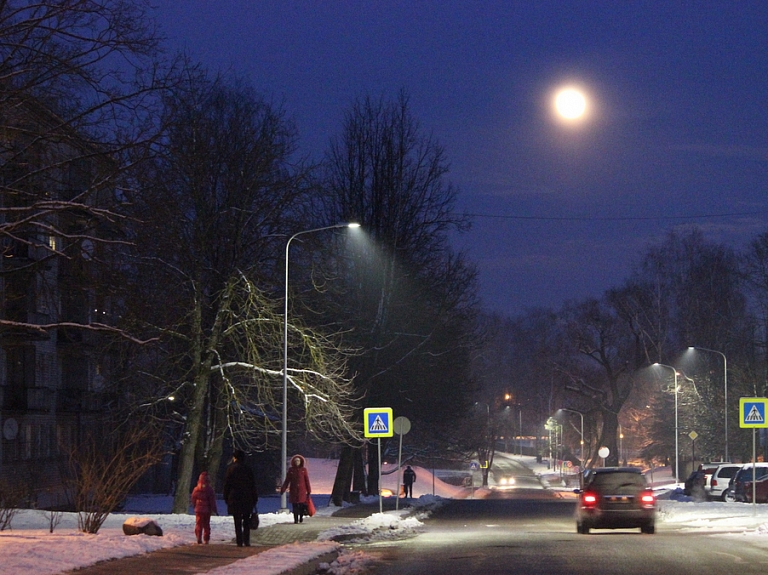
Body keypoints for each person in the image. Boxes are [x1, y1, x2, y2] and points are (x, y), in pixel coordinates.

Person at [222, 450, 258, 547]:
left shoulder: (231, 469)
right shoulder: (248, 469)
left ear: (235, 458)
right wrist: (254, 498)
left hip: (234, 498)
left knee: (237, 521)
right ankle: (246, 540)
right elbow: (252, 485)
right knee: (246, 520)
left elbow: (227, 485)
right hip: (247, 498)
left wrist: (226, 497)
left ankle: (239, 541)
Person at [281, 454, 312, 524]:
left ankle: (301, 517)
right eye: (296, 461)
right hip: (293, 490)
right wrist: (283, 488)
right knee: (294, 505)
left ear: (301, 462)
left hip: (302, 491)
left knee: (301, 505)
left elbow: (306, 480)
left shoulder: (303, 470)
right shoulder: (291, 470)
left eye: (298, 461)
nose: (297, 462)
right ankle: (295, 519)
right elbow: (287, 480)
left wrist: (309, 490)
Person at [190, 471, 218, 544]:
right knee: (206, 524)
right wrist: (214, 509)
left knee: (198, 523)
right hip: (207, 510)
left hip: (198, 509)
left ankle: (198, 537)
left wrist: (195, 505)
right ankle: (206, 538)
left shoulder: (196, 489)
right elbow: (212, 501)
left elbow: (193, 498)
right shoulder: (209, 490)